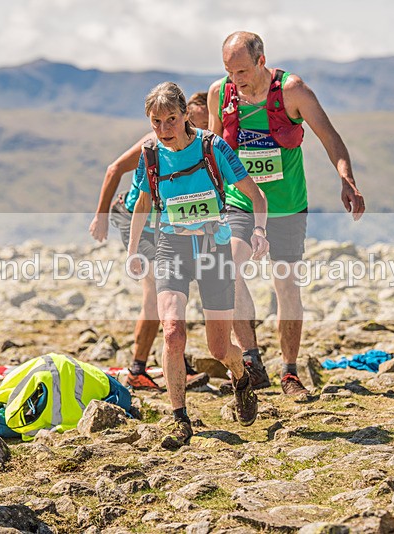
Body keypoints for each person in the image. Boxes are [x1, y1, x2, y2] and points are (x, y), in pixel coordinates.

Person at [207, 31, 365, 395]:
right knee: (226, 268)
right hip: (241, 202)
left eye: (243, 71)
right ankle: (251, 359)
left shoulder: (292, 91)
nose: (236, 79)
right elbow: (213, 151)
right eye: (230, 71)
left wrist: (347, 180)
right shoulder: (221, 94)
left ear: (262, 61)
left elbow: (331, 137)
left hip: (288, 207)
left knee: (286, 286)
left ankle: (290, 372)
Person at [127, 82, 269, 448]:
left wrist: (260, 230)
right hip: (171, 248)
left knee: (220, 349)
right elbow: (143, 204)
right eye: (156, 121)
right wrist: (132, 250)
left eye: (170, 119)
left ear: (185, 114)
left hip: (213, 248)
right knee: (172, 331)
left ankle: (240, 376)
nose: (164, 129)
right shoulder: (150, 154)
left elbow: (256, 194)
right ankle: (179, 419)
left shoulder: (212, 147)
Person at [89, 92, 210, 391]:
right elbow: (114, 168)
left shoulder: (205, 146)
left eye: (208, 124)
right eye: (197, 121)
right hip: (136, 219)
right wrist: (100, 215)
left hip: (167, 226)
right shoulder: (153, 143)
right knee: (157, 290)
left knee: (176, 291)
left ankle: (172, 362)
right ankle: (137, 370)